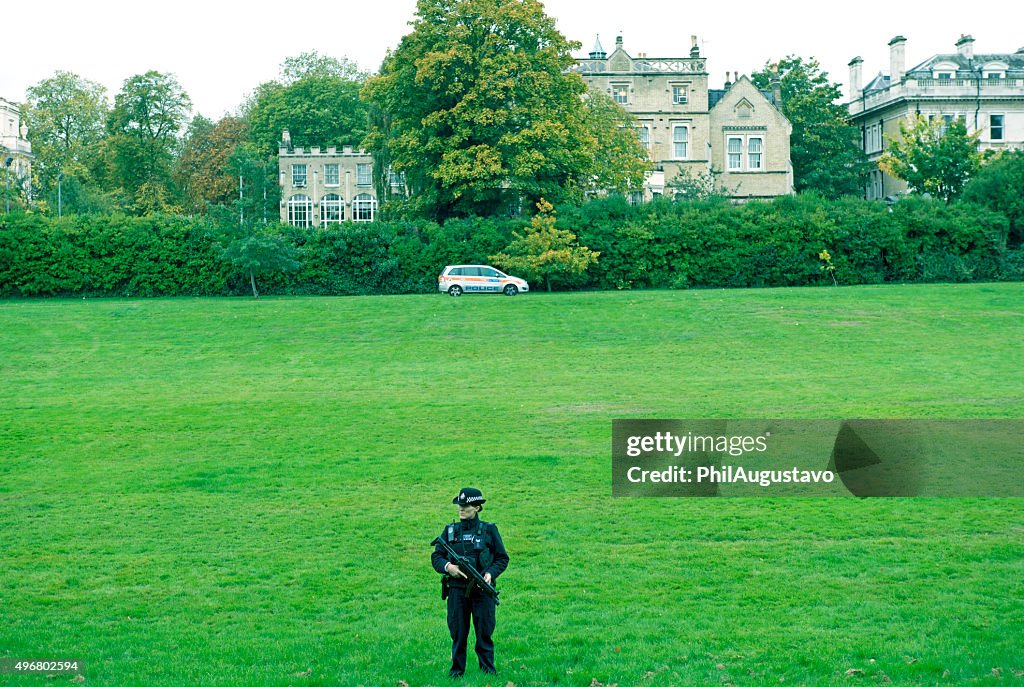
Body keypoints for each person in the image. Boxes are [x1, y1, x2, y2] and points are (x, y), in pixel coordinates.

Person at [431, 487, 509, 678]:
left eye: (465, 505)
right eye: (459, 505)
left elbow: (502, 558)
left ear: (477, 507)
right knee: (458, 633)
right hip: (457, 591)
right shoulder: (450, 531)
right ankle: (456, 672)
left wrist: (490, 573)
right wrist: (448, 567)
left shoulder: (489, 530)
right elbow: (436, 556)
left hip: (482, 591)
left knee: (484, 633)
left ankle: (488, 671)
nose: (461, 509)